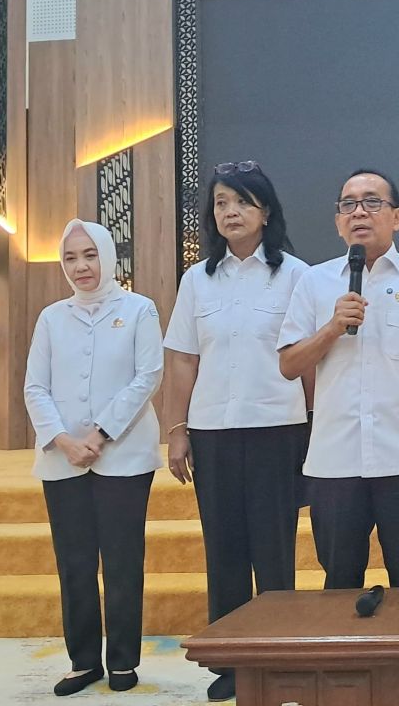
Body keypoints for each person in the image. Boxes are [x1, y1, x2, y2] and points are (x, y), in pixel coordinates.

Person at [162, 161, 310, 703]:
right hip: (213, 432)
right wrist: (177, 431)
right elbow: (182, 361)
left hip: (277, 428)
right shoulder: (196, 280)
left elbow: (308, 361)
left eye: (242, 201)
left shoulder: (297, 275)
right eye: (222, 202)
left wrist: (315, 428)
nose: (231, 212)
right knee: (223, 549)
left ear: (265, 211)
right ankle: (229, 663)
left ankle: (277, 657)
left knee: (274, 551)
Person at [278, 169, 399, 595]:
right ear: (338, 221)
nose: (359, 211)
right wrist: (331, 329)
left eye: (372, 202)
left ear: (396, 217)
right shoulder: (314, 281)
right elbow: (288, 365)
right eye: (348, 204)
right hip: (334, 463)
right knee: (340, 586)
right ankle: (345, 665)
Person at [24, 219, 163, 697]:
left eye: (89, 255)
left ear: (107, 257)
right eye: (71, 258)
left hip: (124, 455)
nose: (81, 266)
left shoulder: (140, 309)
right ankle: (83, 661)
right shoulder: (51, 317)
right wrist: (63, 439)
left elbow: (147, 376)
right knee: (75, 563)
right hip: (62, 458)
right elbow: (35, 387)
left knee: (123, 561)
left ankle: (123, 661)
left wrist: (100, 433)